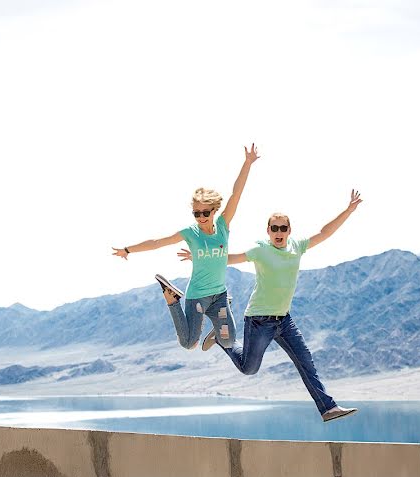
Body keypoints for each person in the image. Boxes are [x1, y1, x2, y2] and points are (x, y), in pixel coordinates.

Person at [180, 190, 363, 422]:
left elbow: (325, 233)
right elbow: (230, 258)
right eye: (274, 228)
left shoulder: (297, 246)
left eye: (283, 228)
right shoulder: (260, 250)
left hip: (284, 320)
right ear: (268, 231)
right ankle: (221, 339)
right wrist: (201, 255)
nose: (278, 232)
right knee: (249, 368)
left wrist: (348, 210)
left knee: (306, 362)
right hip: (258, 320)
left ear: (289, 231)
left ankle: (328, 408)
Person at [112, 144, 259, 350]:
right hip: (197, 295)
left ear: (214, 210)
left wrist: (247, 163)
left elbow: (236, 194)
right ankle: (172, 300)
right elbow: (157, 242)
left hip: (220, 296)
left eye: (205, 213)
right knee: (189, 343)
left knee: (228, 341)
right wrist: (128, 250)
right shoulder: (191, 233)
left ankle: (216, 332)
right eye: (196, 213)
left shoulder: (223, 226)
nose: (200, 217)